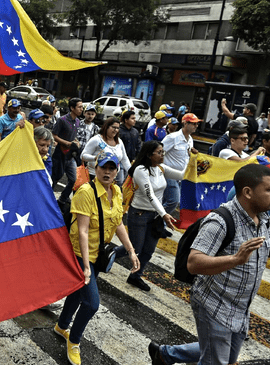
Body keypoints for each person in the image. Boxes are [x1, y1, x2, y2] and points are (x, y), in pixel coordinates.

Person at [186, 164, 270, 364]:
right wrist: (236, 259)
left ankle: (166, 354)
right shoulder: (220, 220)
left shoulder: (262, 218)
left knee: (227, 359)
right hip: (215, 306)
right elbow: (194, 262)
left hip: (240, 309)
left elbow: (267, 246)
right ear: (248, 192)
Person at [55, 152, 140, 365]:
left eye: (112, 168)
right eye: (104, 167)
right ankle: (74, 340)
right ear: (96, 167)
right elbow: (82, 231)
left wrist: (130, 250)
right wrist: (85, 265)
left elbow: (118, 222)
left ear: (117, 171)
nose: (108, 172)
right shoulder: (86, 192)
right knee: (92, 303)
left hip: (99, 253)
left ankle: (61, 326)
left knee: (78, 292)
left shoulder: (117, 191)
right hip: (81, 253)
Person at [120, 141, 184, 292]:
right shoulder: (141, 170)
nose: (163, 155)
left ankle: (135, 276)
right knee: (134, 248)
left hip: (154, 217)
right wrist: (165, 214)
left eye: (163, 152)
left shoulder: (160, 168)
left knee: (148, 249)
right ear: (149, 155)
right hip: (139, 214)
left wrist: (198, 165)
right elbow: (151, 196)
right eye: (160, 152)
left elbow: (183, 175)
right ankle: (105, 256)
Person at [161, 113, 201, 215]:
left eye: (197, 124)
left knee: (166, 200)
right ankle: (157, 218)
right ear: (185, 123)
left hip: (182, 176)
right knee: (174, 201)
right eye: (193, 123)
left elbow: (187, 156)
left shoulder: (190, 139)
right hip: (169, 174)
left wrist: (192, 154)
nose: (196, 126)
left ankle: (159, 224)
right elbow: (159, 151)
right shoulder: (172, 137)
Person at [81, 117, 132, 185]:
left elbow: (124, 159)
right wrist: (95, 158)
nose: (116, 130)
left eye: (117, 128)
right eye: (113, 127)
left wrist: (132, 173)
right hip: (95, 177)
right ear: (106, 127)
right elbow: (83, 156)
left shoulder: (119, 142)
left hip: (112, 178)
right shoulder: (96, 139)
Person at [52, 98, 83, 205]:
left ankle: (63, 198)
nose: (81, 109)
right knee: (55, 177)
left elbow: (73, 137)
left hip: (70, 155)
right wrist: (67, 143)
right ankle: (46, 197)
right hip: (59, 154)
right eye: (79, 107)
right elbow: (54, 135)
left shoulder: (78, 121)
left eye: (82, 107)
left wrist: (75, 142)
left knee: (73, 179)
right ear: (72, 108)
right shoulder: (62, 120)